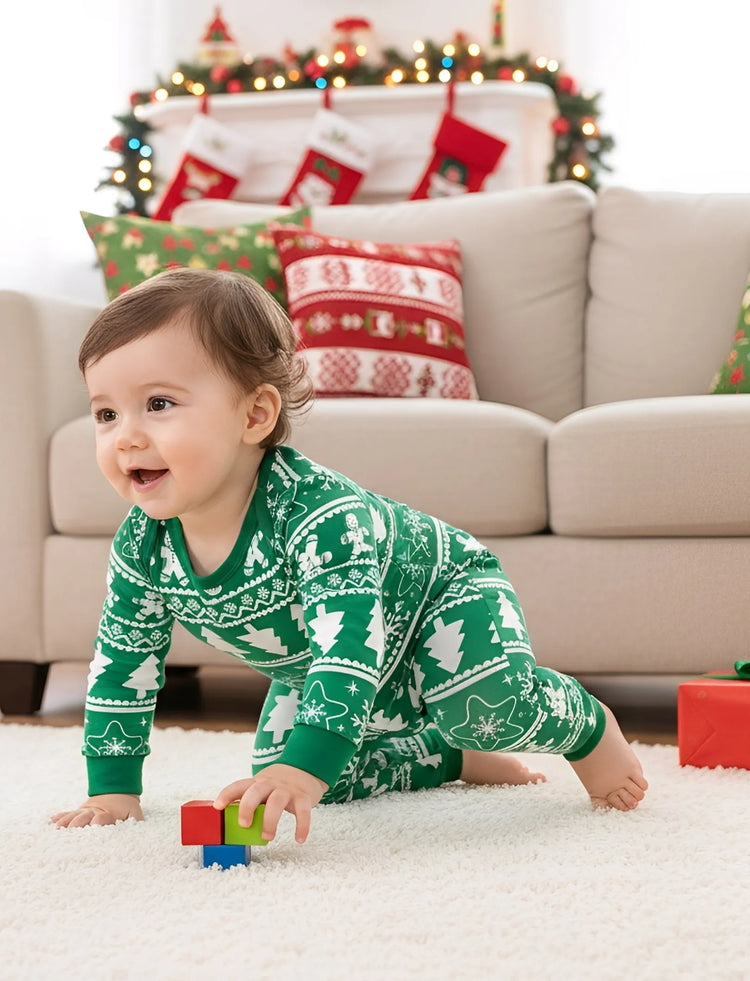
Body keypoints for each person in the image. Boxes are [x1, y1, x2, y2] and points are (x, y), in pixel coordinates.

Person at [52, 268, 647, 841]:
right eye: (106, 413)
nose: (126, 436)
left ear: (254, 415)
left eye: (158, 404)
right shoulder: (143, 546)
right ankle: (444, 757)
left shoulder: (318, 516)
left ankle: (587, 727)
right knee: (297, 775)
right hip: (320, 664)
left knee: (482, 708)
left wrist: (303, 767)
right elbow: (122, 662)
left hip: (441, 596)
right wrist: (113, 791)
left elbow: (349, 645)